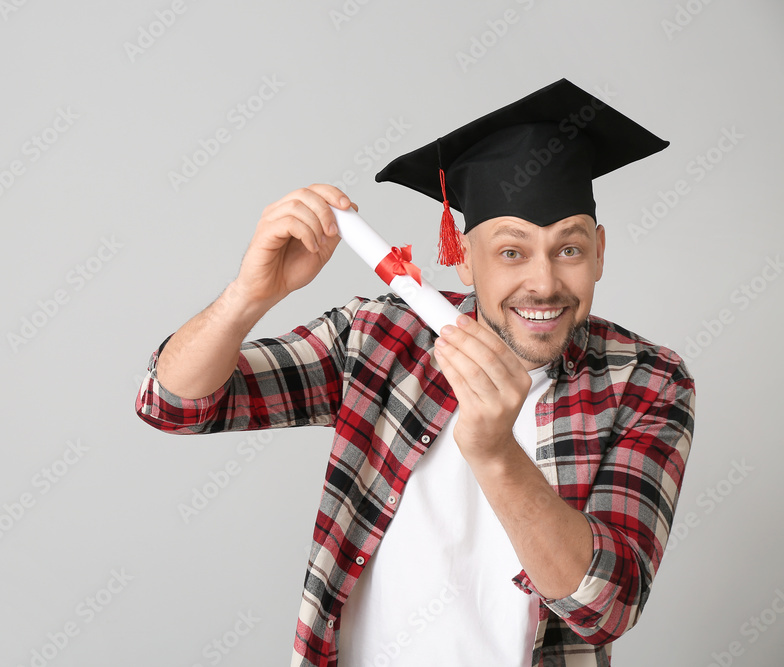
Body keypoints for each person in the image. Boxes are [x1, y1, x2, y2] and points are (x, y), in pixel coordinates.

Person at [135, 79, 696, 666]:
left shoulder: (647, 382)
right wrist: (249, 295)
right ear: (464, 257)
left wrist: (494, 451)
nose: (545, 283)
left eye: (570, 250)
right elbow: (171, 404)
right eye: (511, 252)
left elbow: (605, 607)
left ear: (600, 252)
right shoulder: (382, 337)